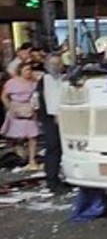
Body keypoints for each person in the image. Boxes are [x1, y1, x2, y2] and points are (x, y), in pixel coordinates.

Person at [38, 53, 69, 192]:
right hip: (51, 118)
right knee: (53, 148)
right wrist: (55, 113)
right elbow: (46, 100)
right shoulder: (44, 80)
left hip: (66, 116)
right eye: (53, 64)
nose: (56, 67)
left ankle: (64, 177)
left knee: (65, 149)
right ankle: (52, 180)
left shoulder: (64, 78)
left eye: (58, 63)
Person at [1, 62, 40, 170]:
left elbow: (36, 95)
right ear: (20, 71)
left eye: (30, 70)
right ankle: (20, 155)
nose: (28, 72)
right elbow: (4, 96)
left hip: (29, 109)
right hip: (16, 109)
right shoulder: (12, 82)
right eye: (26, 70)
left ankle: (32, 159)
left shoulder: (33, 82)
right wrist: (9, 107)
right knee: (17, 136)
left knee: (32, 136)